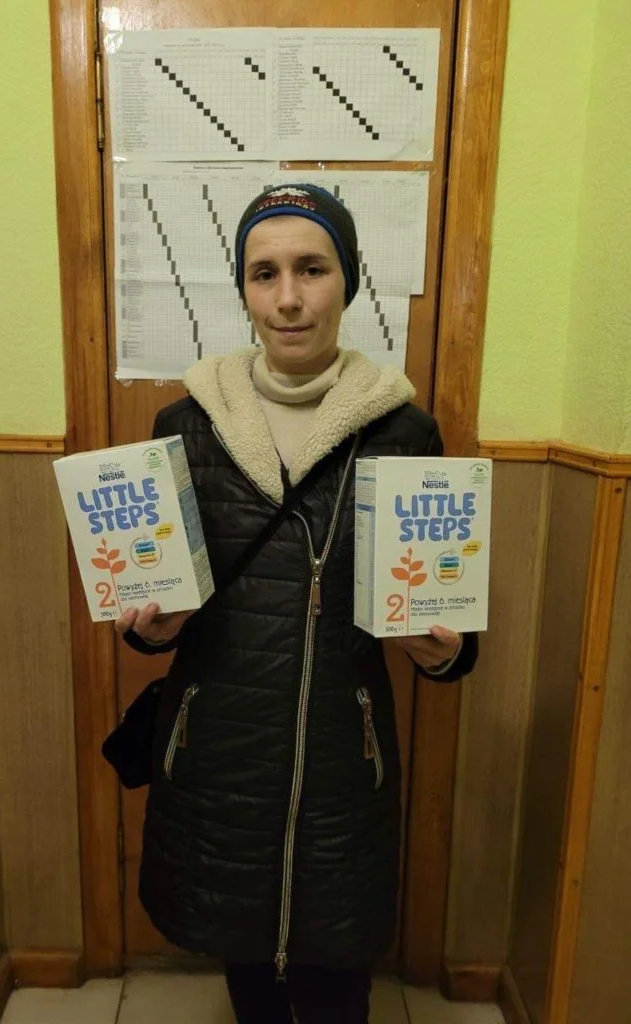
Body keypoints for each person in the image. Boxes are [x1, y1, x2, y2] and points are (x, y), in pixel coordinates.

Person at [116, 184, 479, 1023]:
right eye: (264, 273)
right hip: (221, 757)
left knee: (337, 978)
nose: (288, 298)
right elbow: (154, 606)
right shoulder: (184, 427)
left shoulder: (406, 435)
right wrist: (151, 631)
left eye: (312, 269)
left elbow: (448, 616)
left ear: (347, 281)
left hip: (344, 763)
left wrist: (447, 651)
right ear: (243, 289)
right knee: (247, 965)